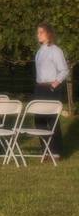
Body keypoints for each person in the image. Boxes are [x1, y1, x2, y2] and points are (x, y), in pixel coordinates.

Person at [34, 22, 68, 157]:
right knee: (39, 119)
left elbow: (64, 70)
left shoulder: (55, 51)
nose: (38, 35)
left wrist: (55, 83)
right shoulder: (39, 51)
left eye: (41, 32)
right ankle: (46, 149)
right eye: (38, 32)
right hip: (39, 88)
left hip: (51, 88)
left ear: (48, 33)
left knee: (52, 119)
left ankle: (56, 151)